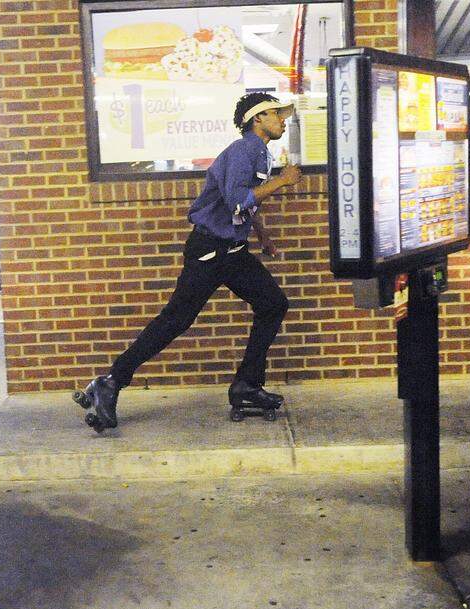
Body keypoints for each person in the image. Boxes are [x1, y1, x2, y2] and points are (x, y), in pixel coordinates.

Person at [75, 92, 301, 432]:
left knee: (272, 304)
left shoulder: (257, 152)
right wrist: (282, 181)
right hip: (210, 251)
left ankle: (247, 385)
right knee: (176, 320)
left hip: (233, 251)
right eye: (276, 114)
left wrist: (262, 234)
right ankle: (110, 381)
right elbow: (237, 200)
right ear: (257, 119)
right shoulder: (243, 151)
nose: (283, 120)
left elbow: (244, 207)